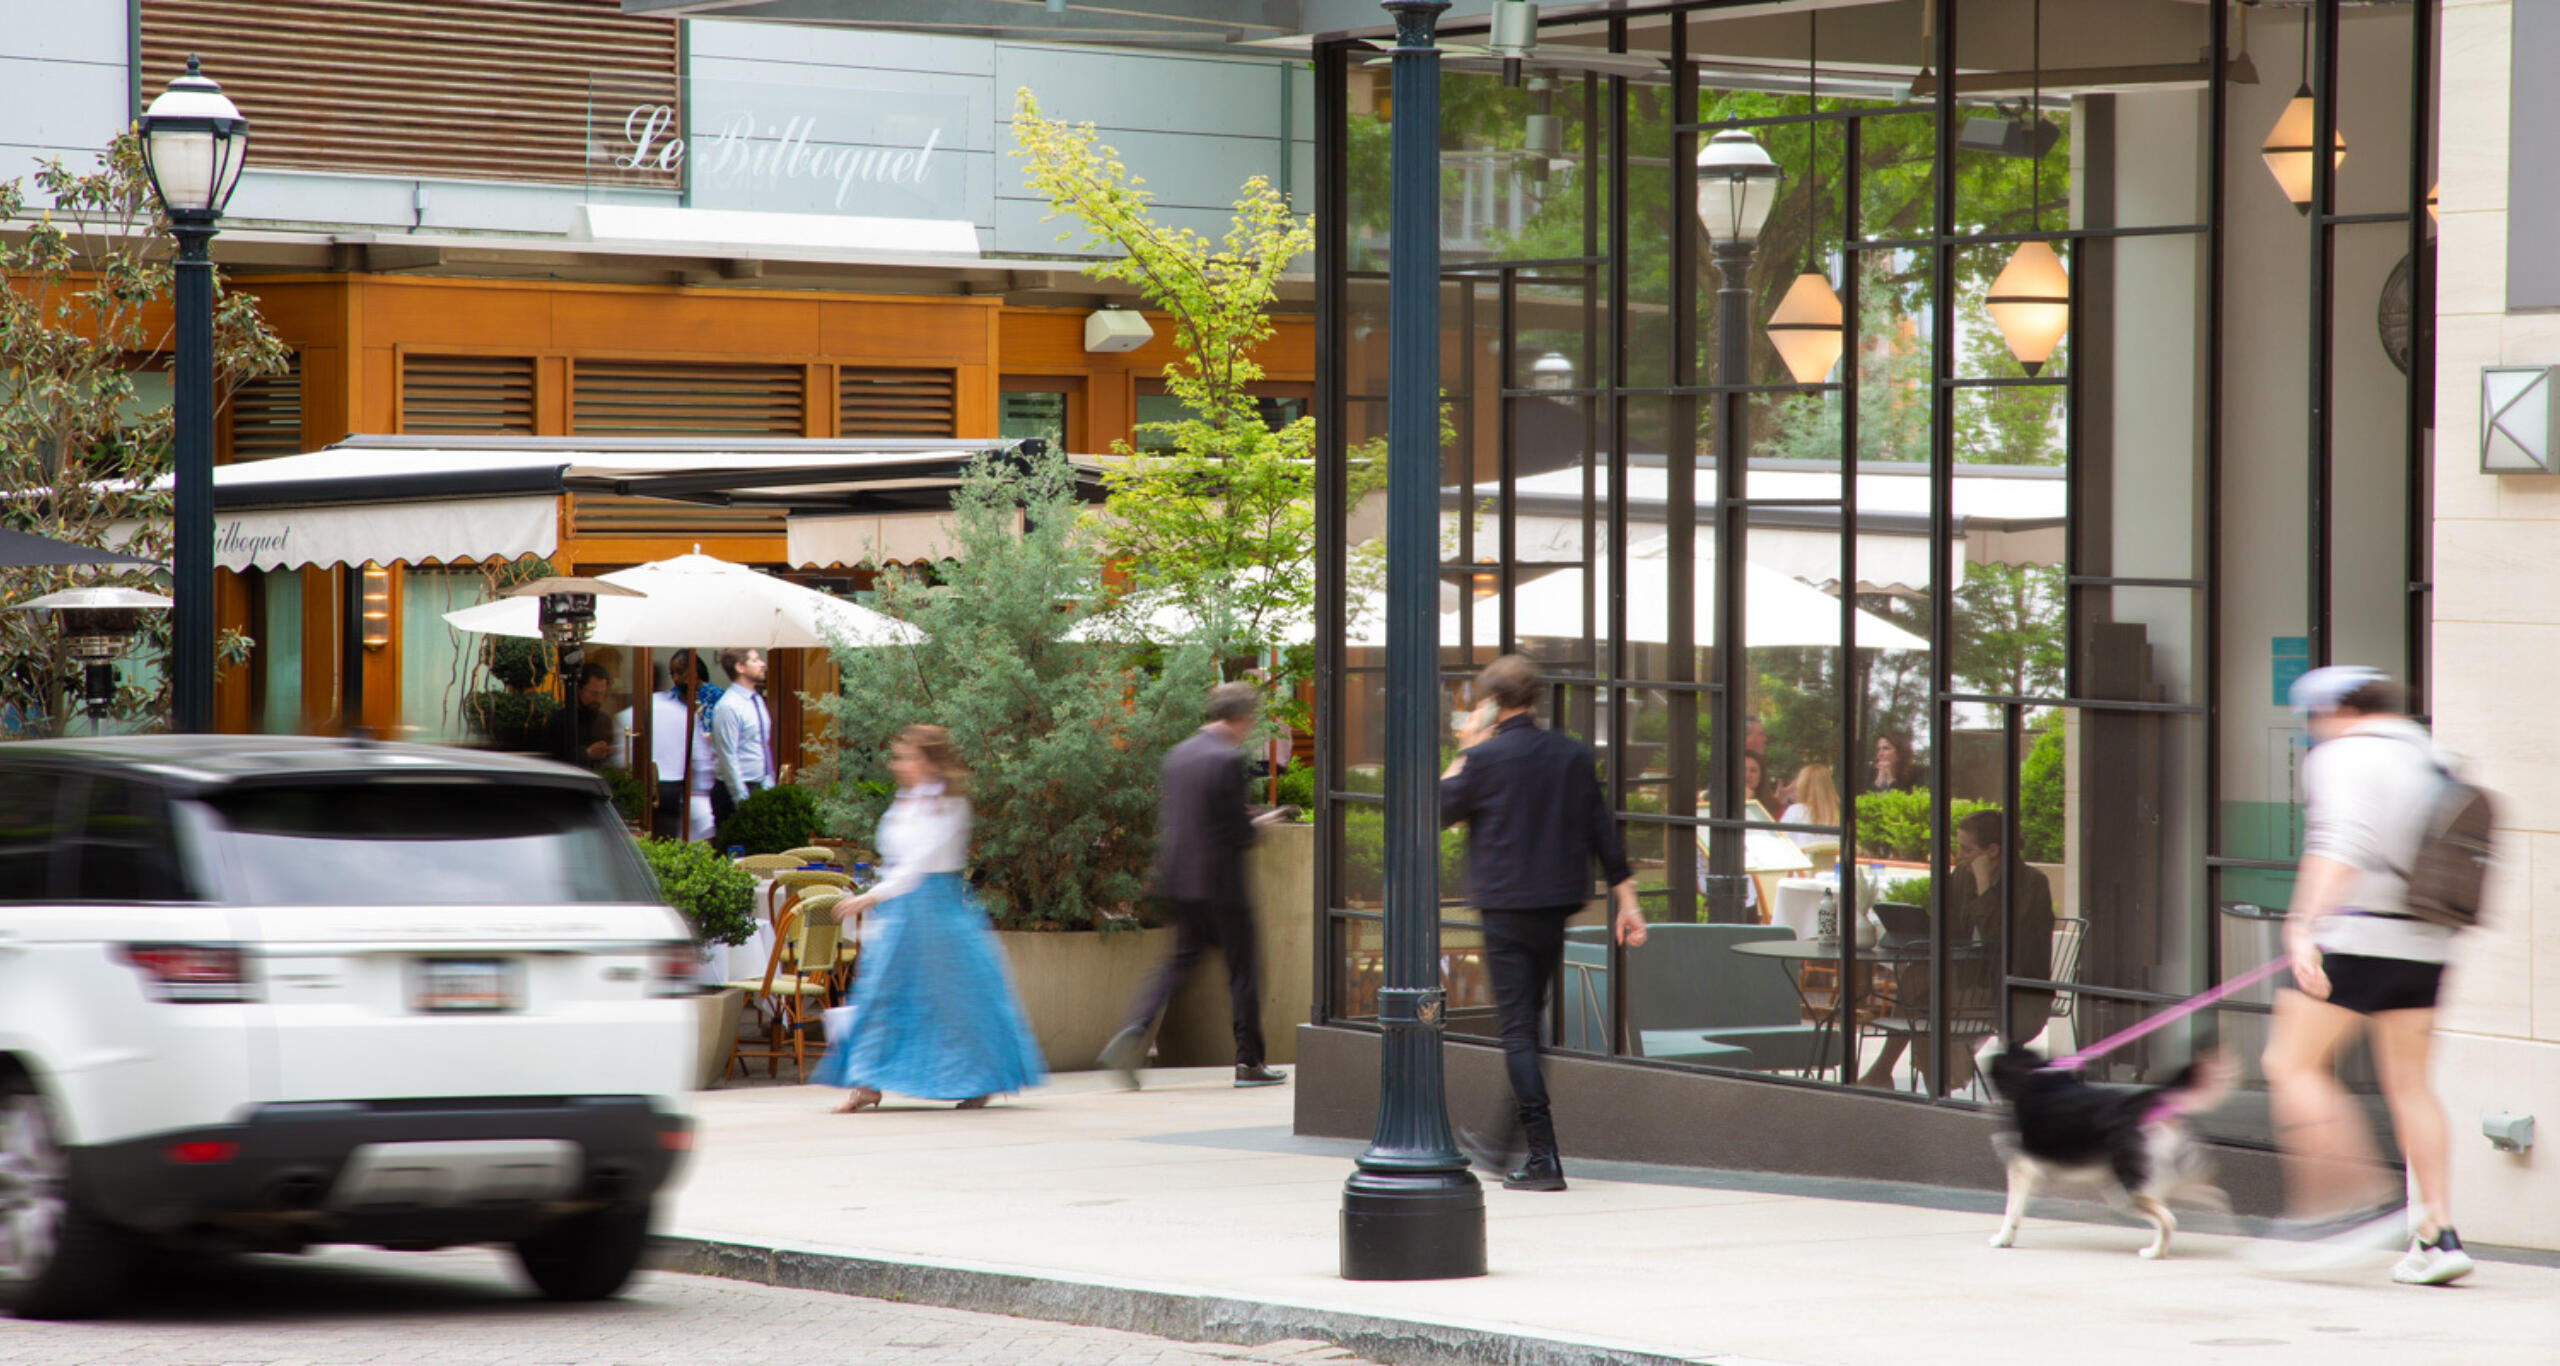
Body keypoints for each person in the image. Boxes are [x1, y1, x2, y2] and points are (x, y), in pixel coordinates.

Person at [2257, 666, 2472, 1285]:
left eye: (2313, 718)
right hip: (2427, 943)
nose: (2312, 731)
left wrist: (2302, 926)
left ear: (2334, 712)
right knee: (2411, 1086)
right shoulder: (2430, 757)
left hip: (2356, 936)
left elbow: (2340, 844)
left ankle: (2349, 1202)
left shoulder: (2344, 756)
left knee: (2289, 1064)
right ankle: (2437, 1235)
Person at [1442, 654, 1646, 1192]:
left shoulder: (1484, 760)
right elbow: (1602, 832)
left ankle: (1543, 1157)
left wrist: (1465, 749)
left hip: (1507, 908)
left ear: (1491, 702)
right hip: (1554, 908)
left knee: (1517, 1032)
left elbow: (1436, 809)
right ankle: (1506, 1142)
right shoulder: (1570, 755)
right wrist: (1629, 901)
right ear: (1534, 698)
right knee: (1528, 1028)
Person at [814, 725, 1046, 1112]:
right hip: (902, 912)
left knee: (957, 999)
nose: (898, 764)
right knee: (881, 994)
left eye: (907, 756)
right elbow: (895, 860)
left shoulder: (950, 806)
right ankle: (867, 1082)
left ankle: (977, 1080)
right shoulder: (907, 801)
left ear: (928, 761)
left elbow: (918, 865)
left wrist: (868, 898)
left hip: (936, 913)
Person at [1101, 683, 1291, 1089]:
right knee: (1244, 971)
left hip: (1179, 878)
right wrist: (1259, 823)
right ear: (1241, 718)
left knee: (1178, 963)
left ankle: (1134, 1028)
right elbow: (1236, 833)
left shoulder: (1179, 754)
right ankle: (1249, 1062)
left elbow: (1192, 817)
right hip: (1223, 883)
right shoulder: (1228, 758)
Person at [1858, 808, 2053, 1090]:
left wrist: (1985, 887)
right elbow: (1948, 931)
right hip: (1971, 978)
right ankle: (1921, 1086)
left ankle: (1920, 1085)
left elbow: (2000, 944)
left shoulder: (2031, 884)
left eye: (1966, 849)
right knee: (1918, 982)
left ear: (1993, 851)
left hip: (2014, 990)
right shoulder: (1962, 876)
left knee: (1923, 1001)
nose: (1959, 855)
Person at [644, 649, 718, 842]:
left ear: (694, 671)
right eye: (673, 674)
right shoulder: (670, 699)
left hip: (706, 778)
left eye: (681, 672)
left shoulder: (717, 697)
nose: (676, 678)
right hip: (675, 781)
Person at [711, 647, 774, 825]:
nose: (763, 664)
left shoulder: (757, 700)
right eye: (755, 660)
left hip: (759, 785)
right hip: (735, 790)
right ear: (740, 667)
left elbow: (763, 744)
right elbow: (727, 755)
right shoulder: (728, 706)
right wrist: (741, 798)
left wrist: (769, 783)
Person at [1780, 763, 1840, 850]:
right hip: (1833, 863)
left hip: (1801, 862)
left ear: (1802, 785)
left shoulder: (1795, 811)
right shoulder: (1839, 815)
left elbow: (1781, 843)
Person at [571, 662, 619, 769]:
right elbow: (556, 759)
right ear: (579, 690)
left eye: (601, 693)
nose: (597, 699)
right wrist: (587, 754)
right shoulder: (562, 721)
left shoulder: (604, 721)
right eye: (593, 693)